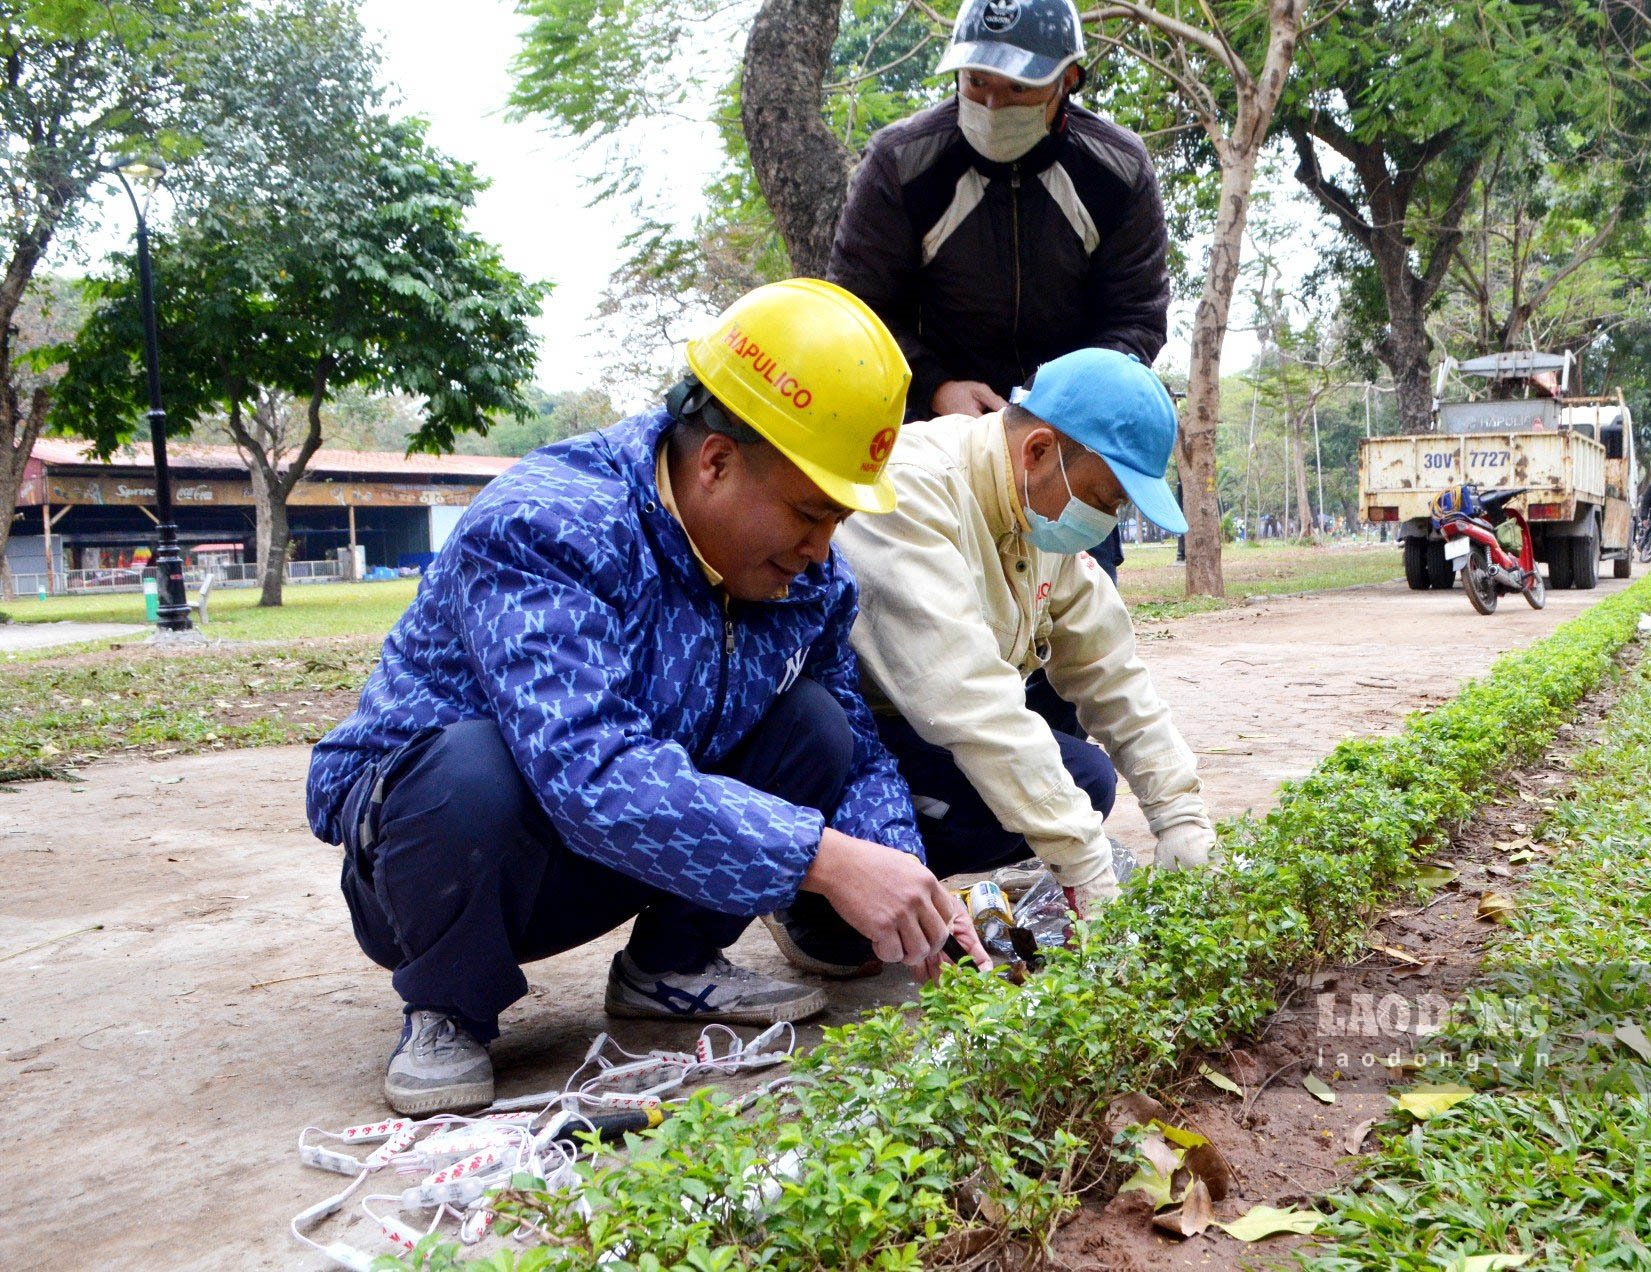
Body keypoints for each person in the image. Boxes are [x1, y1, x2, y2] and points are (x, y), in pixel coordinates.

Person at [305, 280, 989, 1116]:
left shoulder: (809, 584)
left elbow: (852, 740)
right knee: (468, 768)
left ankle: (670, 966)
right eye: (811, 514)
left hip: (623, 850)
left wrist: (905, 876)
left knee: (814, 726)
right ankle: (447, 1005)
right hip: (446, 859)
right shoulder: (548, 528)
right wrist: (829, 861)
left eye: (840, 521)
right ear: (716, 462)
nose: (822, 549)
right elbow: (590, 771)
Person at [758, 349, 1212, 976]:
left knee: (1085, 779)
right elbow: (969, 702)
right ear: (1039, 451)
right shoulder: (911, 491)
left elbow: (1111, 671)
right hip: (837, 741)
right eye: (1107, 500)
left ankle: (902, 885)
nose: (1107, 522)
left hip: (917, 737)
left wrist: (1179, 813)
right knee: (1013, 786)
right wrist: (1085, 867)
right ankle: (814, 900)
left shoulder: (1038, 514)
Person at [828, 0, 1170, 585]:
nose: (990, 104)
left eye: (1016, 87)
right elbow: (856, 311)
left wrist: (1053, 404)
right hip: (931, 441)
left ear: (1067, 81)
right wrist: (936, 386)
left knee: (1069, 644)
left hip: (1063, 446)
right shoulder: (902, 163)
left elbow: (1136, 318)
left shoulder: (1117, 171)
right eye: (976, 82)